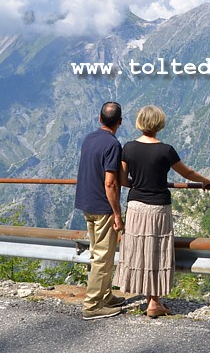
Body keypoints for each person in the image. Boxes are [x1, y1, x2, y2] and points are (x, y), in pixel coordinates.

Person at [113, 105, 210, 318]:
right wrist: (205, 181)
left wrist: (139, 183)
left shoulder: (128, 148)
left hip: (136, 207)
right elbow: (187, 172)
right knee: (157, 251)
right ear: (159, 124)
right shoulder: (166, 150)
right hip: (158, 207)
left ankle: (145, 297)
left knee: (139, 249)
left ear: (140, 122)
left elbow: (122, 180)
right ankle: (154, 303)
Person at [75, 101, 126, 320]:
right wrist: (117, 213)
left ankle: (105, 295)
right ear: (120, 122)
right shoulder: (113, 145)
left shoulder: (89, 139)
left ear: (99, 119)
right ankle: (93, 305)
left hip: (87, 203)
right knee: (103, 258)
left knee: (99, 253)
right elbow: (110, 183)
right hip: (103, 207)